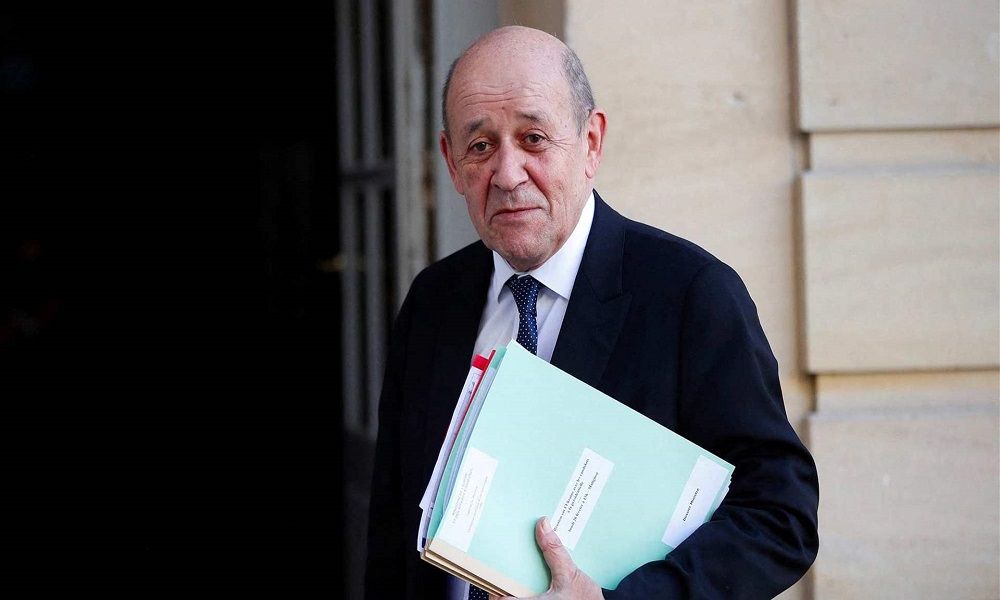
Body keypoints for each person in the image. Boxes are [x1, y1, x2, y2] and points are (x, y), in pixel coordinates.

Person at [365, 25, 819, 600]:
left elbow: (779, 515)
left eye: (533, 139)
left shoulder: (691, 295)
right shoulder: (432, 302)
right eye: (480, 147)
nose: (508, 174)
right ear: (451, 163)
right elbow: (392, 533)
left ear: (591, 142)